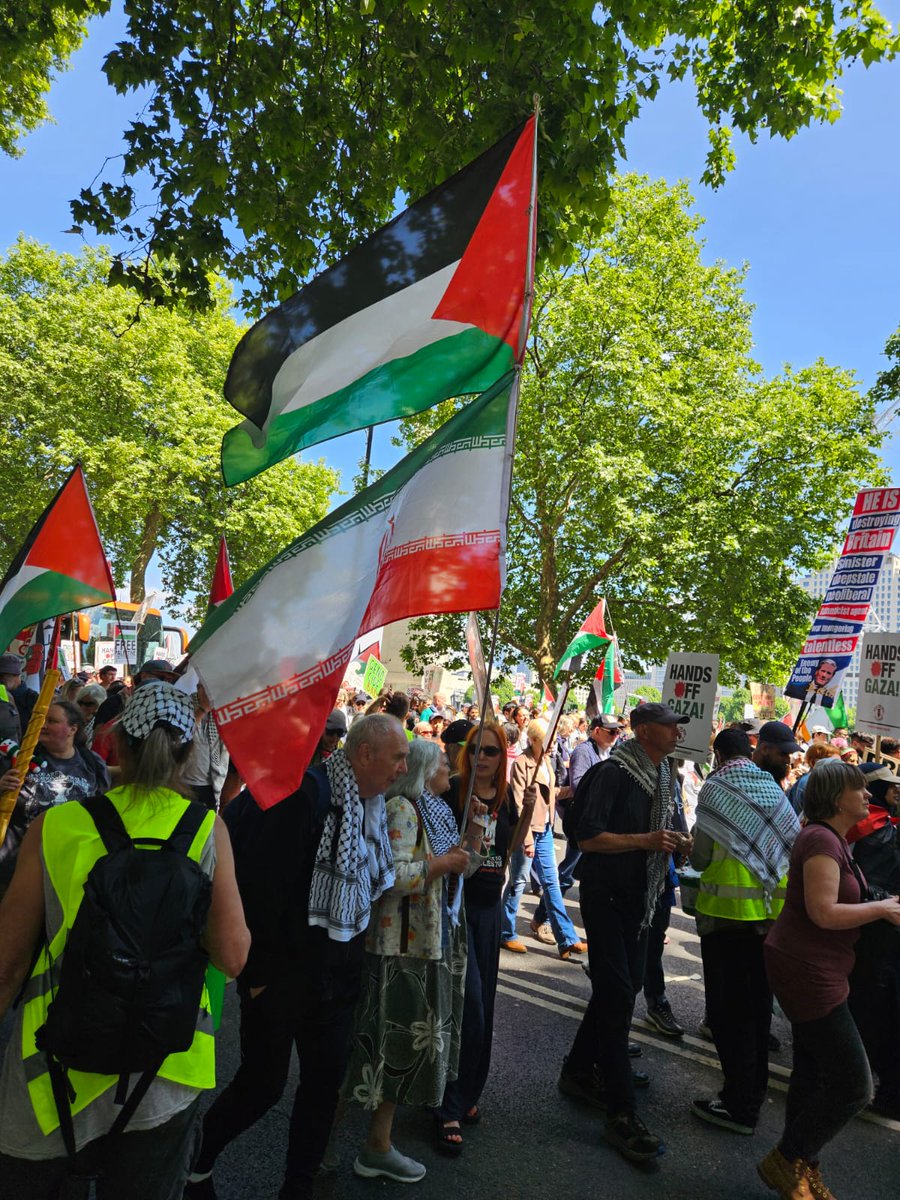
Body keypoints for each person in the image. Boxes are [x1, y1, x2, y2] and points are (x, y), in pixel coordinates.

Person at [0, 682, 249, 1198]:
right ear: (186, 753)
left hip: (52, 1065)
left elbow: (5, 965)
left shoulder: (56, 826)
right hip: (163, 1070)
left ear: (118, 746)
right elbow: (232, 956)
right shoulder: (207, 830)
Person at [185, 714, 409, 1200]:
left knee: (323, 1089)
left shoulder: (371, 808)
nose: (403, 768)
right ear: (365, 754)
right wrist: (258, 978)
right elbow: (260, 888)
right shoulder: (307, 795)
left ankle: (298, 1187)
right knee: (262, 1087)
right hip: (284, 975)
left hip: (339, 974)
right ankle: (195, 1164)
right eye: (398, 757)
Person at [761, 759, 900, 1200]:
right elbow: (823, 912)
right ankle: (786, 1158)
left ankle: (802, 1168)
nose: (867, 796)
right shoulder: (821, 838)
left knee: (813, 1073)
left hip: (819, 966)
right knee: (854, 1084)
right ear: (838, 798)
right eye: (859, 789)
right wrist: (881, 909)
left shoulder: (832, 837)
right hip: (808, 970)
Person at [561, 703, 689, 1163]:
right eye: (671, 725)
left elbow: (669, 829)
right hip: (607, 896)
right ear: (644, 730)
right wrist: (647, 842)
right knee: (617, 994)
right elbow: (587, 839)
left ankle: (578, 1071)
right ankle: (621, 1113)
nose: (678, 732)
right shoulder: (612, 773)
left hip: (644, 899)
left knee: (628, 985)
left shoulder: (664, 775)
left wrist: (680, 843)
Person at [343, 740, 470, 1178]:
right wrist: (444, 864)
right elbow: (393, 876)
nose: (450, 772)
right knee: (383, 1047)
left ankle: (366, 1144)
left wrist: (459, 855)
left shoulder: (426, 808)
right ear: (420, 770)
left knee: (385, 1048)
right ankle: (366, 1147)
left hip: (417, 941)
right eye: (441, 765)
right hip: (399, 946)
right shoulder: (403, 808)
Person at [690, 728, 800, 1136]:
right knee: (755, 1015)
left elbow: (700, 857)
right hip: (768, 923)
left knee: (726, 1014)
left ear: (719, 755)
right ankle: (751, 1095)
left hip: (724, 920)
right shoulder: (776, 797)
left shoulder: (717, 790)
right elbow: (788, 854)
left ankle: (739, 1105)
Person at [434, 724, 534, 1135]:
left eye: (491, 751)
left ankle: (468, 1094)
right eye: (475, 749)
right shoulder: (453, 791)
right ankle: (445, 1104)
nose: (482, 757)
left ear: (503, 754)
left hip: (490, 910)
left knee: (484, 1007)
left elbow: (509, 849)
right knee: (466, 1006)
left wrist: (527, 812)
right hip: (457, 907)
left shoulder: (508, 795)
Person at [0, 698, 110, 893]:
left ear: (72, 729)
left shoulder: (92, 764)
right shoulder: (22, 757)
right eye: (42, 719)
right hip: (19, 868)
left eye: (52, 721)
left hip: (70, 868)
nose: (43, 725)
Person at [501, 719, 587, 958]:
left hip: (546, 829)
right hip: (526, 830)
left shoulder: (546, 761)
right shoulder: (521, 763)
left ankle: (567, 938)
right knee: (518, 882)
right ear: (533, 740)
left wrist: (573, 789)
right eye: (547, 740)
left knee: (552, 883)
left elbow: (549, 793)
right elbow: (519, 804)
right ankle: (505, 932)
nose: (552, 744)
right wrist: (526, 838)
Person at [847, 762, 900, 1120]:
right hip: (881, 933)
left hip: (872, 935)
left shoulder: (869, 828)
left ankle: (855, 1084)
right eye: (888, 787)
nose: (896, 791)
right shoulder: (878, 828)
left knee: (868, 1009)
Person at [182, 685, 230, 810]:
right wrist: (203, 709)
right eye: (206, 687)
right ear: (199, 687)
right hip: (184, 783)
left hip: (212, 784)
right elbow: (180, 737)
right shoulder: (184, 704)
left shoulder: (223, 706)